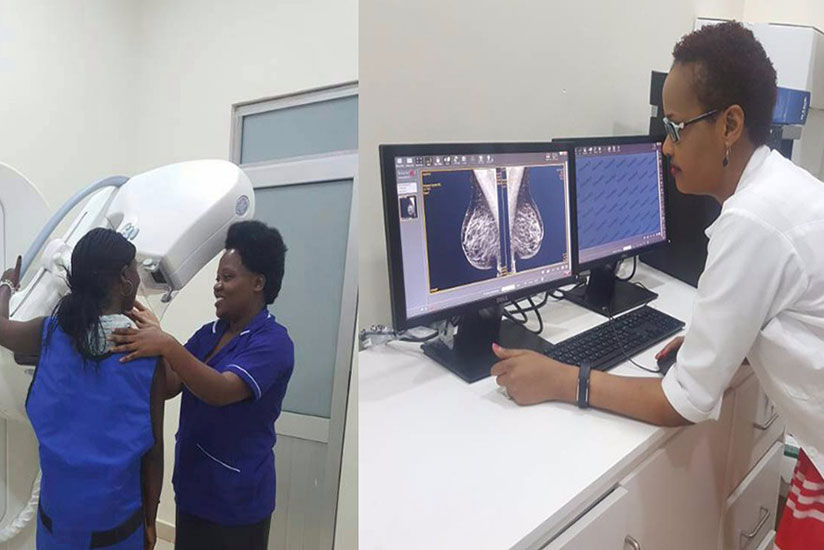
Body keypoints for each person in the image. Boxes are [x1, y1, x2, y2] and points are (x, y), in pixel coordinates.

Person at [490, 22, 824, 549]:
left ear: (730, 125)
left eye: (676, 127)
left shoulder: (751, 222)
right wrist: (725, 342)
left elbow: (684, 402)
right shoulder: (782, 186)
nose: (665, 147)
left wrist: (563, 379)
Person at [109, 220, 294, 550]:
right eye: (217, 278)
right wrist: (151, 342)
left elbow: (220, 390)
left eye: (228, 278)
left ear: (258, 283)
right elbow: (171, 384)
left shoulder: (273, 342)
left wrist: (167, 344)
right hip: (193, 491)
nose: (217, 287)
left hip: (237, 504)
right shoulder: (210, 333)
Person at [0, 228, 165, 549]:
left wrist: (6, 285)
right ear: (124, 278)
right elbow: (153, 456)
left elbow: (2, 327)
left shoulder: (47, 334)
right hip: (118, 534)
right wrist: (150, 522)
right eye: (134, 268)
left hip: (55, 530)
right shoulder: (148, 357)